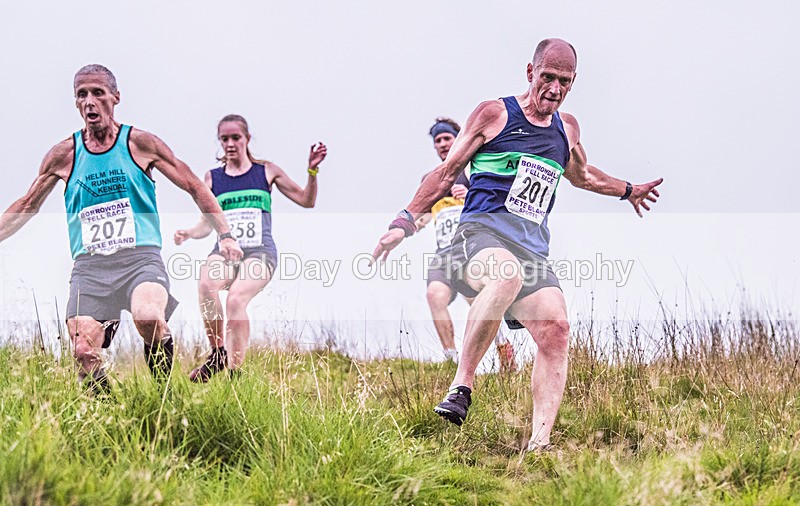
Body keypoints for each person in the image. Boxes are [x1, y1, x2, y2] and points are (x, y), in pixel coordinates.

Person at [372, 39, 662, 451]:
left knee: (557, 330)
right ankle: (461, 387)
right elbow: (446, 172)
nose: (554, 89)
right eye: (548, 78)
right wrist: (403, 222)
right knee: (504, 276)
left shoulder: (568, 128)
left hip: (532, 249)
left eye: (565, 82)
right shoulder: (495, 114)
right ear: (531, 72)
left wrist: (628, 190)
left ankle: (539, 444)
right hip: (480, 236)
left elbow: (584, 177)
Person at [0, 64, 243, 392]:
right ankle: (105, 417)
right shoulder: (64, 155)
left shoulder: (139, 144)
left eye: (98, 93)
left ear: (115, 97)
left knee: (148, 318)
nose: (90, 101)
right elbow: (28, 204)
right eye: (81, 95)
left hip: (140, 260)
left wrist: (225, 234)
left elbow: (194, 186)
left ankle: (161, 399)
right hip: (90, 267)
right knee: (84, 350)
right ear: (75, 103)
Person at [174, 115, 327, 382]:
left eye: (236, 138)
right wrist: (189, 232)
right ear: (219, 142)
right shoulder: (212, 179)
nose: (230, 144)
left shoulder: (266, 171)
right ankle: (218, 353)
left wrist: (312, 172)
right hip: (224, 252)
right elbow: (206, 225)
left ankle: (235, 372)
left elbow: (306, 200)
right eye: (225, 139)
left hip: (260, 253)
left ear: (247, 138)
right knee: (206, 286)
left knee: (235, 299)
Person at [416, 117, 516, 372]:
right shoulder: (432, 178)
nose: (441, 144)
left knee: (479, 305)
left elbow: (496, 203)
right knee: (434, 296)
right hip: (444, 253)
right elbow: (427, 213)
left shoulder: (474, 170)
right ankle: (451, 358)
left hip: (470, 248)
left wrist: (469, 193)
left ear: (457, 139)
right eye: (437, 141)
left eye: (446, 138)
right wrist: (415, 223)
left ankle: (505, 351)